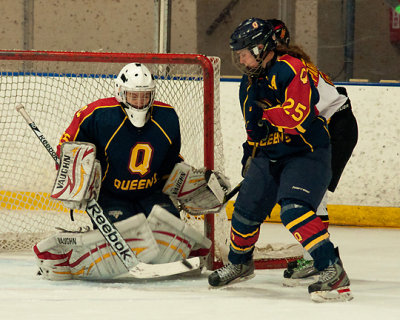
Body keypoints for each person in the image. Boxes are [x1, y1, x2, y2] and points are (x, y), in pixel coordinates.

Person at [208, 18, 353, 302]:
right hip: (271, 153)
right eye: (238, 53)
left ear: (263, 48)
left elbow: (297, 116)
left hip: (306, 151)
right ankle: (240, 262)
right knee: (245, 211)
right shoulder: (248, 83)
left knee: (294, 209)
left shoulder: (292, 69)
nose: (241, 59)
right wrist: (249, 151)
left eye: (245, 52)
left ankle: (332, 270)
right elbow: (252, 126)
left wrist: (267, 117)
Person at [33, 63, 212, 280]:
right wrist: (73, 179)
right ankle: (67, 254)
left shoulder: (167, 117)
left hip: (151, 193)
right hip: (111, 196)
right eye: (133, 96)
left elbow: (170, 161)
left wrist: (187, 184)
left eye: (145, 96)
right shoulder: (97, 115)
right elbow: (67, 147)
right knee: (126, 247)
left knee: (170, 245)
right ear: (120, 93)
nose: (139, 102)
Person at [268, 19, 358, 285]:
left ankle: (325, 260)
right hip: (333, 125)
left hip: (335, 127)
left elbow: (300, 114)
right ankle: (319, 256)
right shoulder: (289, 63)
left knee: (311, 195)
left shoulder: (286, 67)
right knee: (313, 196)